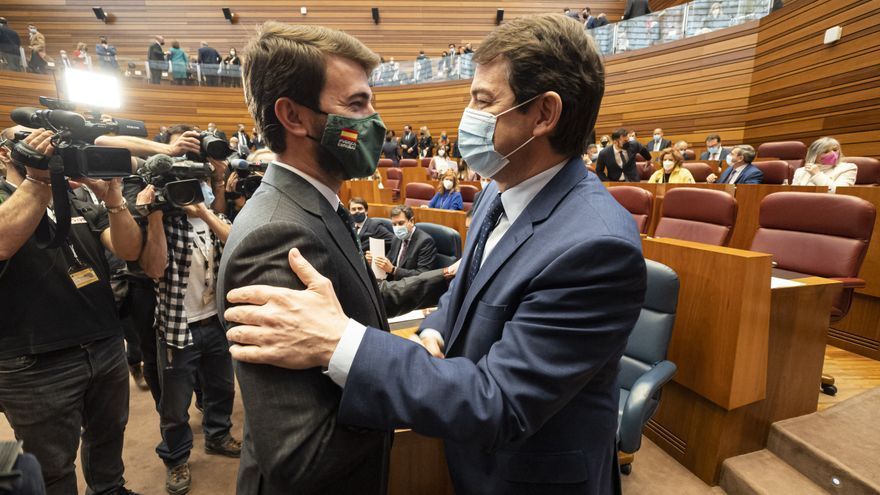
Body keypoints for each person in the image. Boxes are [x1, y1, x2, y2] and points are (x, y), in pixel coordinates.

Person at [221, 13, 645, 495]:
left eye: (483, 101)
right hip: (468, 459)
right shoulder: (500, 188)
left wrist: (343, 343)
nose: (468, 114)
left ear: (544, 114)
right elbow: (467, 286)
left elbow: (502, 401)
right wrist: (435, 331)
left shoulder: (597, 246)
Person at [216, 21, 392, 494]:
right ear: (293, 117)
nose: (375, 120)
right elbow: (301, 456)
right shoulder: (277, 235)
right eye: (356, 105)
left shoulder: (313, 205)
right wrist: (402, 380)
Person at [0, 128, 144, 495]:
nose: (46, 143)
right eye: (29, 139)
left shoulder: (75, 200)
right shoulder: (9, 197)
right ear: (5, 154)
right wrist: (38, 179)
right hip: (36, 361)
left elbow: (127, 249)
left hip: (104, 344)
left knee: (108, 437)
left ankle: (109, 489)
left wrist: (113, 200)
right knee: (52, 467)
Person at [137, 125, 240, 495]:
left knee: (221, 387)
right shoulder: (168, 222)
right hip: (178, 326)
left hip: (215, 320)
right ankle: (177, 459)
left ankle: (218, 434)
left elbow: (236, 242)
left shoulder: (213, 222)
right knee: (175, 405)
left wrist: (205, 209)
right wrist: (155, 216)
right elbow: (153, 269)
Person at [371, 204, 437, 280]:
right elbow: (390, 261)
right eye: (394, 224)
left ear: (412, 221)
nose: (397, 228)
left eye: (401, 223)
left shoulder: (425, 241)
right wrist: (375, 261)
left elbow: (423, 274)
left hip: (412, 285)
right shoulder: (396, 238)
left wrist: (393, 270)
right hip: (395, 283)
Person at [791, 137, 857, 192]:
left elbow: (839, 192)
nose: (832, 154)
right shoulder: (801, 171)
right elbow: (793, 194)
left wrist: (817, 174)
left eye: (835, 150)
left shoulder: (848, 168)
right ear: (814, 155)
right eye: (826, 151)